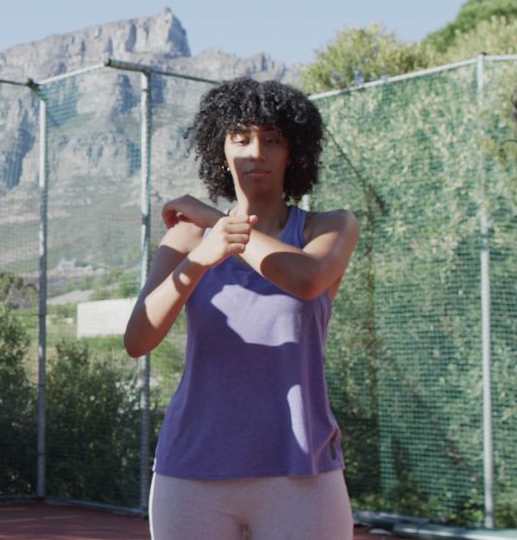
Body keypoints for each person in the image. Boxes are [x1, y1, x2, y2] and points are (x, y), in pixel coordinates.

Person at [123, 78, 359, 539]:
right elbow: (138, 340)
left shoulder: (330, 227)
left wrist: (216, 220)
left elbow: (306, 280)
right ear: (221, 149)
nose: (256, 152)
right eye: (241, 138)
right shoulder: (187, 239)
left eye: (272, 140)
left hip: (301, 469)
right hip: (192, 470)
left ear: (293, 153)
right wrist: (198, 260)